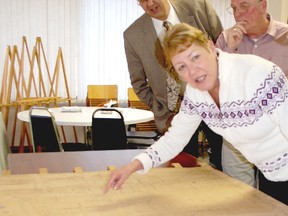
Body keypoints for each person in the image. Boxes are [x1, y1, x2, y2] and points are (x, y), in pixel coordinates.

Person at [105, 23, 288, 205]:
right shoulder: (196, 95)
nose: (193, 71)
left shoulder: (258, 74)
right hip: (271, 176)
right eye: (181, 67)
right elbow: (174, 140)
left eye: (195, 57)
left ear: (210, 46)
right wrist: (131, 167)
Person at [124, 0, 223, 169]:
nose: (150, 4)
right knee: (182, 172)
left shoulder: (198, 7)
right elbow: (138, 83)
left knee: (224, 165)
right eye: (142, 0)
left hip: (214, 105)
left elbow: (222, 47)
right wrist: (160, 108)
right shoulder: (132, 35)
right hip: (173, 116)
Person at [216, 0, 288, 187]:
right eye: (233, 8)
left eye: (244, 6)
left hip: (277, 135)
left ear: (263, 5)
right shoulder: (225, 40)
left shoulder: (286, 36)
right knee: (237, 193)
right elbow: (215, 87)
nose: (238, 14)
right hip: (237, 133)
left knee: (275, 195)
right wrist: (231, 50)